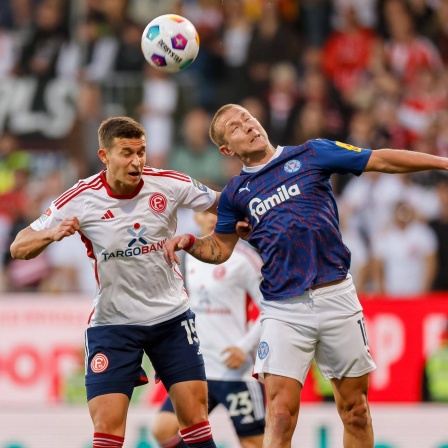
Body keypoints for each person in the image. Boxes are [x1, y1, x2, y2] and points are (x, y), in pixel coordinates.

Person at [163, 104, 448, 448]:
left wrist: (442, 162)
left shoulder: (312, 153)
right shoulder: (236, 193)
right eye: (236, 128)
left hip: (336, 296)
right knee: (280, 414)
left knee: (356, 409)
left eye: (248, 119)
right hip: (284, 309)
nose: (248, 126)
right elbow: (220, 249)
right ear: (227, 149)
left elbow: (381, 159)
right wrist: (191, 243)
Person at [9, 116, 220, 448]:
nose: (137, 161)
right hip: (114, 324)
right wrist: (51, 233)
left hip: (171, 317)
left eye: (142, 152)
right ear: (104, 156)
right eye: (126, 153)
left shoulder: (169, 183)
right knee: (107, 426)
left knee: (195, 417)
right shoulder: (80, 197)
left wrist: (222, 240)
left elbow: (225, 205)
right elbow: (18, 246)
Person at [152, 210, 266, 448]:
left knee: (253, 443)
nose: (214, 216)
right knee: (163, 430)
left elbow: (270, 307)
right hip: (197, 369)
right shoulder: (187, 257)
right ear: (196, 218)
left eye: (220, 211)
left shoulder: (244, 258)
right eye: (208, 212)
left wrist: (244, 348)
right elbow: (181, 308)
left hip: (234, 372)